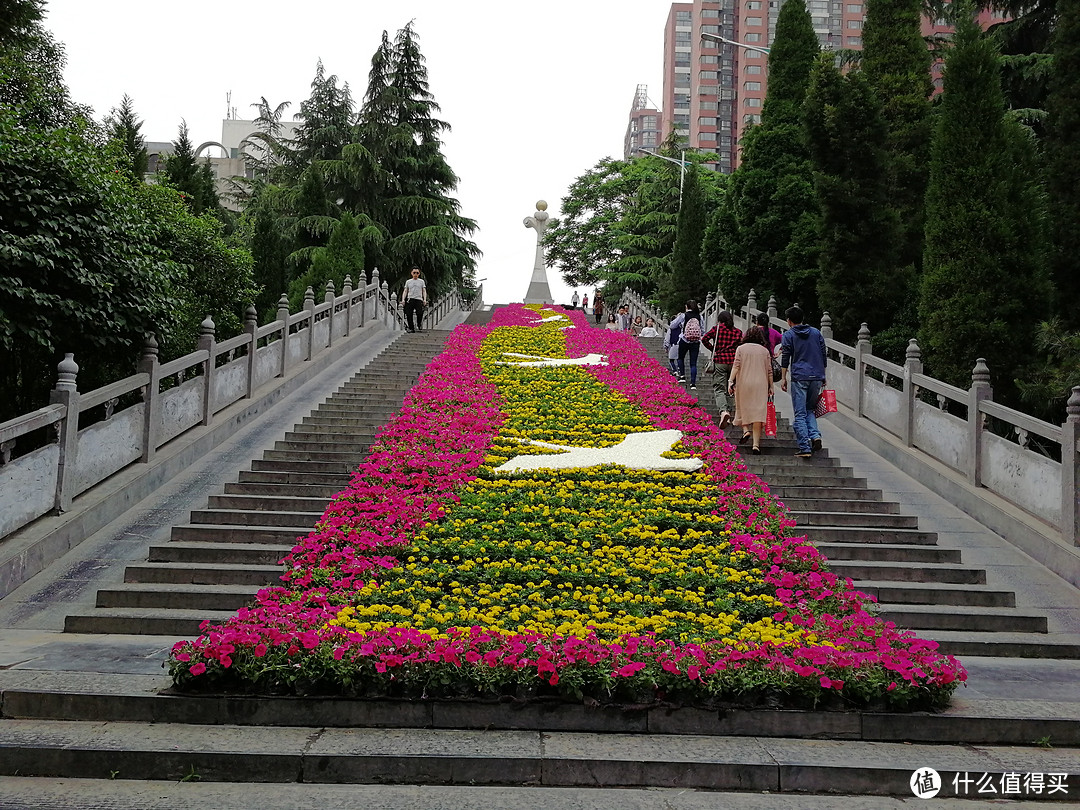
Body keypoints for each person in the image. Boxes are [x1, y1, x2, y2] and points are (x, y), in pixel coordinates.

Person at [780, 306, 828, 458]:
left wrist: (783, 378)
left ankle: (804, 447)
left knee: (800, 413)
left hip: (800, 376)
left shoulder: (789, 335)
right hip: (817, 376)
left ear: (789, 321)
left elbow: (786, 357)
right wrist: (823, 375)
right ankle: (815, 436)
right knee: (810, 410)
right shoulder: (816, 333)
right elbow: (823, 354)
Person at [728, 326, 774, 454]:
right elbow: (769, 371)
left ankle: (746, 430)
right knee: (758, 414)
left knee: (742, 407)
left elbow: (736, 366)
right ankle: (756, 445)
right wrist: (771, 386)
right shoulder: (764, 351)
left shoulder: (741, 349)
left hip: (744, 383)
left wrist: (731, 381)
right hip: (761, 384)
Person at [701, 310, 743, 428]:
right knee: (731, 388)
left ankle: (724, 411)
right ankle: (729, 412)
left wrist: (713, 350)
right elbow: (741, 345)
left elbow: (704, 339)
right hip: (734, 362)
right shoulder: (737, 332)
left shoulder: (717, 329)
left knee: (719, 388)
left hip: (720, 361)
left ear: (720, 320)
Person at [676, 300, 703, 390]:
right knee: (693, 363)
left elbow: (673, 325)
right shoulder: (699, 316)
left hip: (684, 339)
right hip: (695, 342)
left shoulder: (683, 315)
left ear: (687, 307)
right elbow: (702, 330)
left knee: (680, 358)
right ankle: (693, 383)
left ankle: (682, 376)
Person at [401, 267, 427, 333]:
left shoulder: (421, 281)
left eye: (417, 273)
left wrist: (424, 299)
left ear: (419, 274)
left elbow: (424, 290)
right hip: (410, 298)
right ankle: (411, 328)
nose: (415, 274)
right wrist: (403, 299)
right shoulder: (408, 281)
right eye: (414, 272)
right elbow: (405, 290)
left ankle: (419, 323)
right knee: (409, 314)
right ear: (411, 273)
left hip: (418, 299)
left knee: (419, 312)